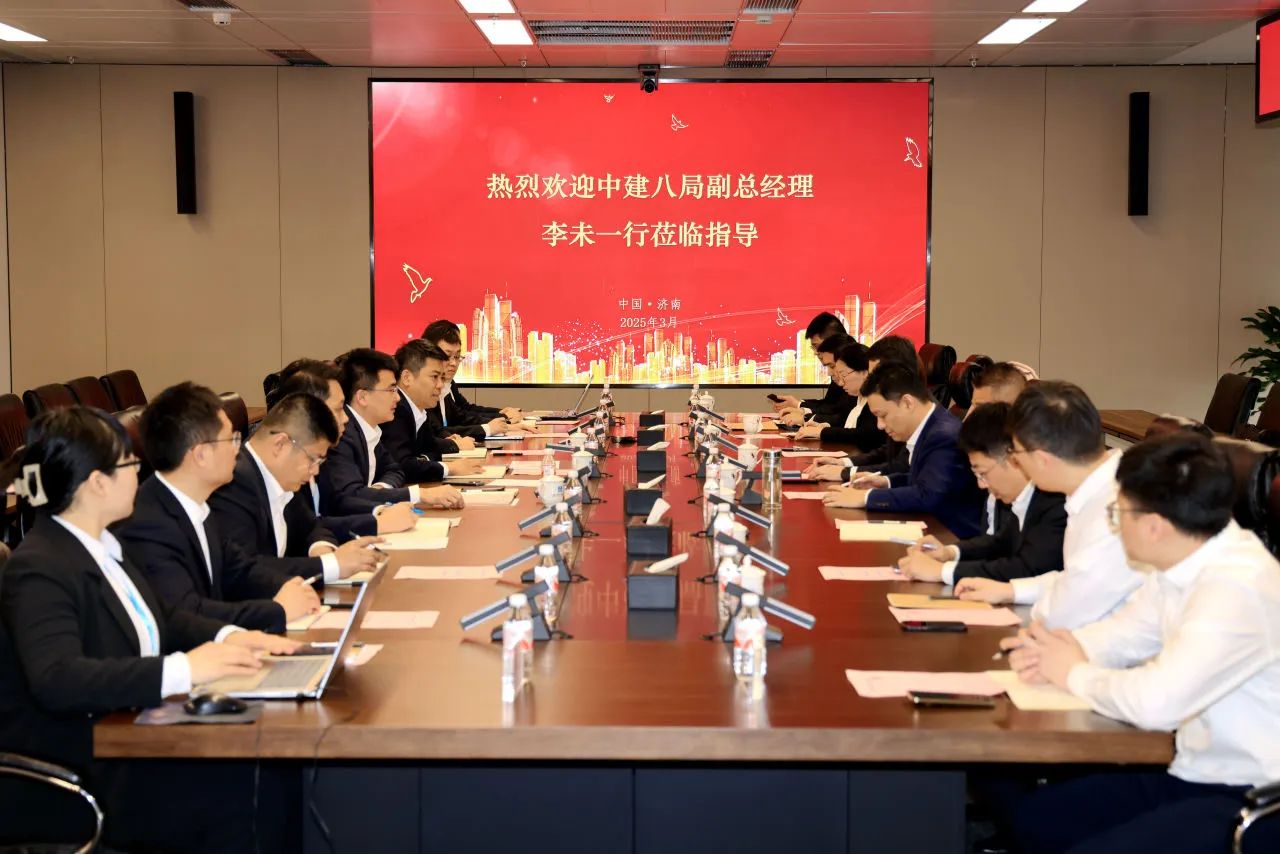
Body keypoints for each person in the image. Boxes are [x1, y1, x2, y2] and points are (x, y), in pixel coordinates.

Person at [0, 407, 297, 851]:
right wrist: (184, 670)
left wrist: (230, 638)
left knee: (267, 769)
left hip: (125, 733)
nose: (139, 474)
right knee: (246, 788)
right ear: (98, 483)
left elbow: (163, 619)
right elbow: (58, 679)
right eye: (129, 464)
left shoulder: (103, 544)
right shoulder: (40, 566)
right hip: (78, 766)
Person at [998, 433, 1280, 854]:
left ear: (1154, 526)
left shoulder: (1237, 587)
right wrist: (1057, 650)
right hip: (1194, 768)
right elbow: (1126, 634)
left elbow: (1155, 703)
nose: (1114, 524)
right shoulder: (1185, 558)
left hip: (1251, 793)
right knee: (1036, 820)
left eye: (1118, 513)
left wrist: (1072, 671)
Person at [118, 382, 319, 633]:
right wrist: (277, 610)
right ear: (200, 454)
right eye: (231, 439)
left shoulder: (198, 504)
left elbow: (238, 569)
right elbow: (186, 613)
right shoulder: (148, 524)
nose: (238, 449)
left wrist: (290, 588)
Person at [955, 381, 1145, 629]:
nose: (1016, 464)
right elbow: (1072, 578)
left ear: (1042, 459)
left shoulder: (1116, 506)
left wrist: (1021, 601)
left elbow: (1068, 609)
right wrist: (1011, 591)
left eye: (1017, 455)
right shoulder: (1092, 490)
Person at [210, 392, 382, 582]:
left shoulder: (283, 477)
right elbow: (245, 570)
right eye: (313, 459)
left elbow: (312, 526)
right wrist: (331, 564)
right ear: (280, 444)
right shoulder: (232, 483)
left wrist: (322, 550)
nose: (315, 470)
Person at [896, 402, 1066, 585]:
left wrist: (942, 571)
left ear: (1014, 459)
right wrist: (949, 552)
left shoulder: (1054, 499)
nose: (981, 484)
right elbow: (1000, 543)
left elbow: (1027, 569)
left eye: (983, 473)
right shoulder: (1025, 496)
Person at [822, 363, 986, 538]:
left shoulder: (942, 435)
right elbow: (925, 479)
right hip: (932, 526)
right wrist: (885, 482)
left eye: (883, 415)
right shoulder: (931, 425)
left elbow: (930, 495)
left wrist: (866, 497)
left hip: (951, 536)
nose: (880, 425)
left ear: (907, 403)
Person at [272, 367, 420, 540]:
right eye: (339, 409)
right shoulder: (279, 464)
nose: (346, 418)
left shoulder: (313, 451)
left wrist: (380, 511)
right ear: (305, 412)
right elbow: (302, 529)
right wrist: (378, 523)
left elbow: (336, 502)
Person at [319, 348, 465, 516]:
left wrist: (380, 490)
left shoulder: (370, 428)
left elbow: (395, 469)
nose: (397, 397)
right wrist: (419, 494)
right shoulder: (342, 434)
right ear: (362, 397)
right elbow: (350, 496)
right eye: (391, 390)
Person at [384, 338, 488, 483]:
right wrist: (449, 468)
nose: (440, 385)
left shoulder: (419, 410)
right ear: (407, 378)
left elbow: (432, 449)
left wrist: (422, 460)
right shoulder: (395, 410)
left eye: (442, 378)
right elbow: (402, 466)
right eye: (434, 377)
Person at [421, 320, 523, 439]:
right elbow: (437, 432)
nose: (453, 363)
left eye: (457, 356)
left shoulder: (447, 383)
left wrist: (502, 416)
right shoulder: (423, 390)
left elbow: (462, 414)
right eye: (447, 356)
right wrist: (491, 427)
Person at [792, 339, 885, 452]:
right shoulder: (857, 398)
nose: (840, 383)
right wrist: (824, 427)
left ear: (865, 372)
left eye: (843, 375)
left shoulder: (877, 400)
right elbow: (843, 420)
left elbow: (866, 435)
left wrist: (823, 432)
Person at [772, 312, 851, 425]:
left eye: (817, 346)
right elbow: (830, 405)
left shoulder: (854, 364)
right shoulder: (841, 363)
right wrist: (800, 406)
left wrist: (804, 416)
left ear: (834, 341)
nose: (815, 353)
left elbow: (843, 417)